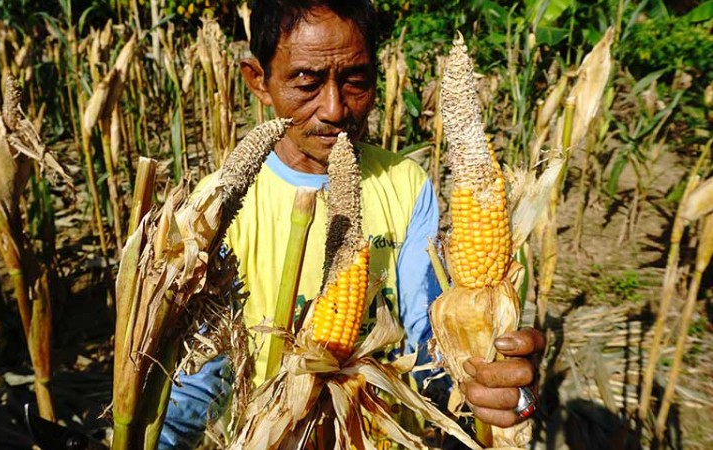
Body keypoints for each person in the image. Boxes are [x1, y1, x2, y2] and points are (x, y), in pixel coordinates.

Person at [160, 1, 545, 448]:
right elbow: (202, 375)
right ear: (258, 80)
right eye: (306, 82)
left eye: (356, 81)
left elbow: (426, 344)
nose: (335, 109)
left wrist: (485, 381)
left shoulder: (405, 185)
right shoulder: (219, 203)